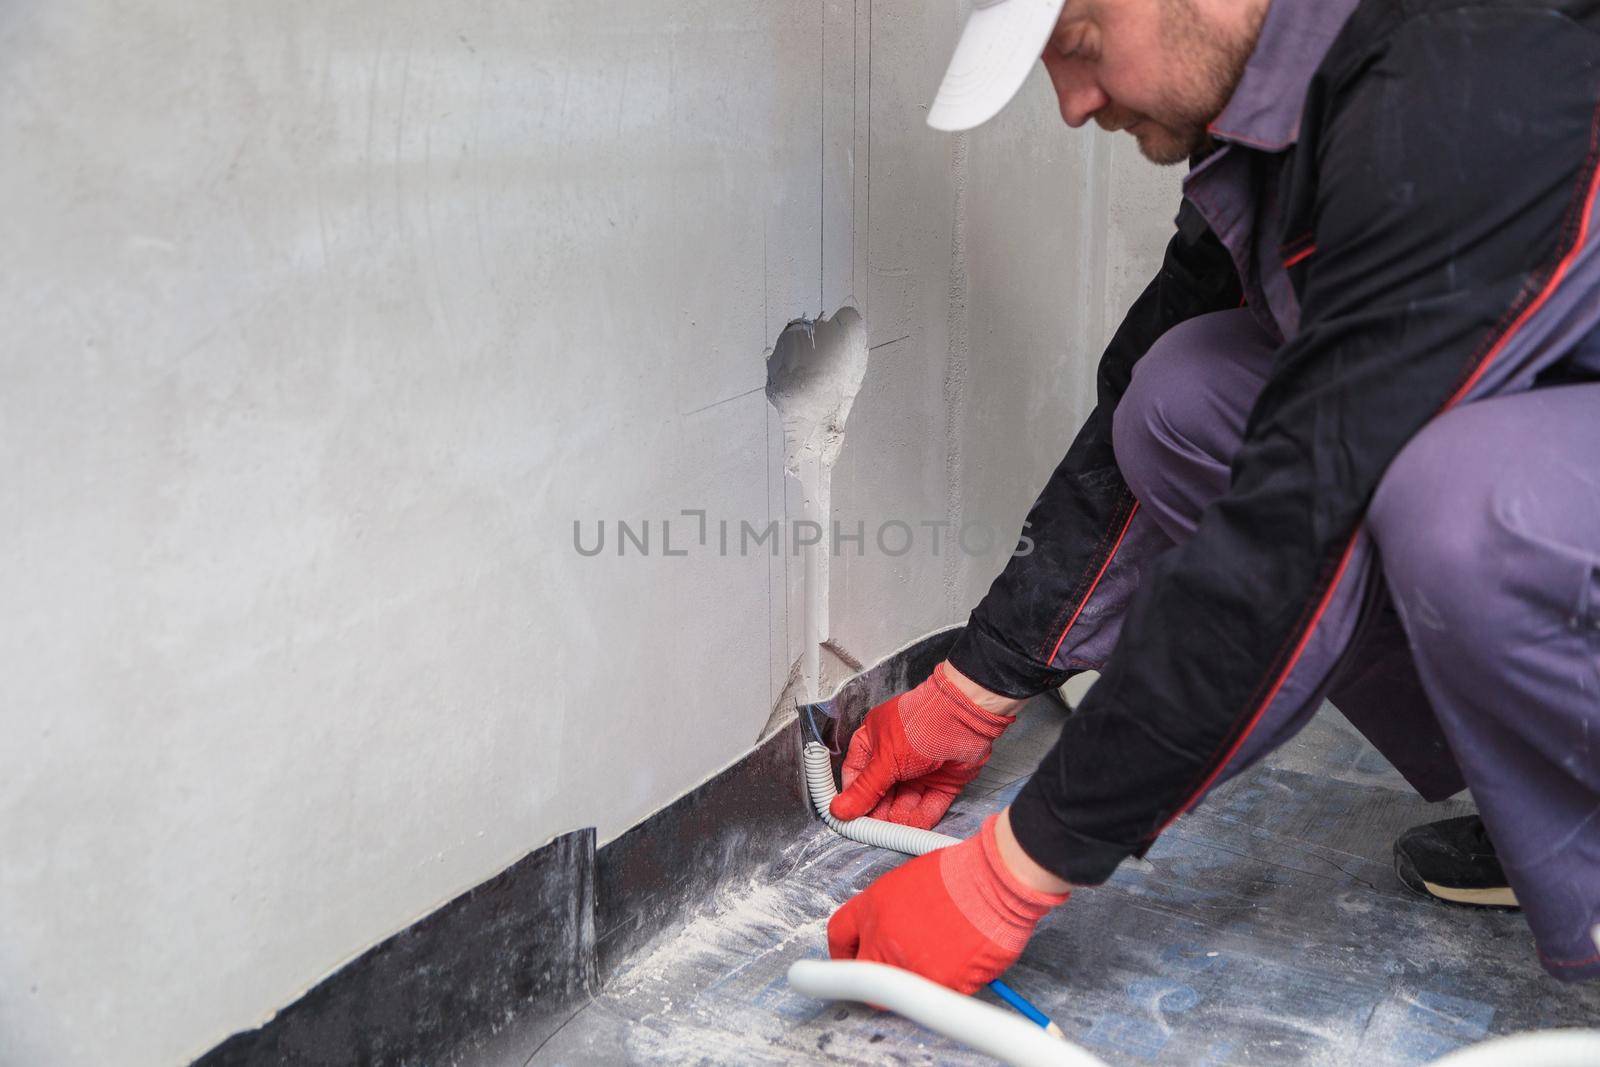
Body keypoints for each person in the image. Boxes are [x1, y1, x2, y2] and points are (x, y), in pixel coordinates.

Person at [825, 0, 1600, 992]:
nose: (1070, 105)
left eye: (1080, 44)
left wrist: (1008, 873)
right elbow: (1187, 402)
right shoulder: (1291, 101)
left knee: (1465, 508)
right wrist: (979, 684)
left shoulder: (1463, 72)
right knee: (1183, 395)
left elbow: (1297, 520)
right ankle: (1545, 804)